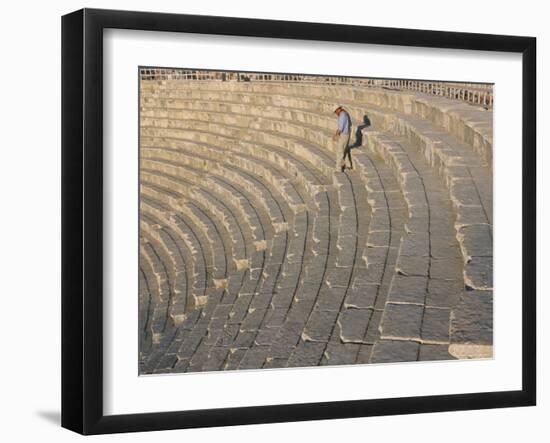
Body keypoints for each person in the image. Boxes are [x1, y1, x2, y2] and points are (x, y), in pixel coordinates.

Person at [333, 106, 353, 172]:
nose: (335, 113)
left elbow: (340, 128)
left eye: (336, 111)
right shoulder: (345, 113)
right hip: (346, 133)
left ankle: (338, 168)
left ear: (338, 109)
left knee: (340, 151)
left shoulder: (342, 115)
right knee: (344, 149)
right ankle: (348, 165)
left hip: (344, 135)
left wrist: (335, 135)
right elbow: (350, 124)